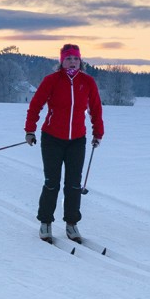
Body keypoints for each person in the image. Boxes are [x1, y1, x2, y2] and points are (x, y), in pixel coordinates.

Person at [24, 43, 104, 241]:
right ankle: (45, 222)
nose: (72, 62)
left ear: (80, 61)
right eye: (68, 58)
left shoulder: (88, 82)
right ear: (61, 61)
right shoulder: (52, 80)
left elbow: (95, 108)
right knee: (52, 182)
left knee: (74, 184)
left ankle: (71, 224)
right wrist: (30, 130)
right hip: (52, 138)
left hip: (77, 139)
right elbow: (36, 105)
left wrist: (98, 132)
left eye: (76, 58)